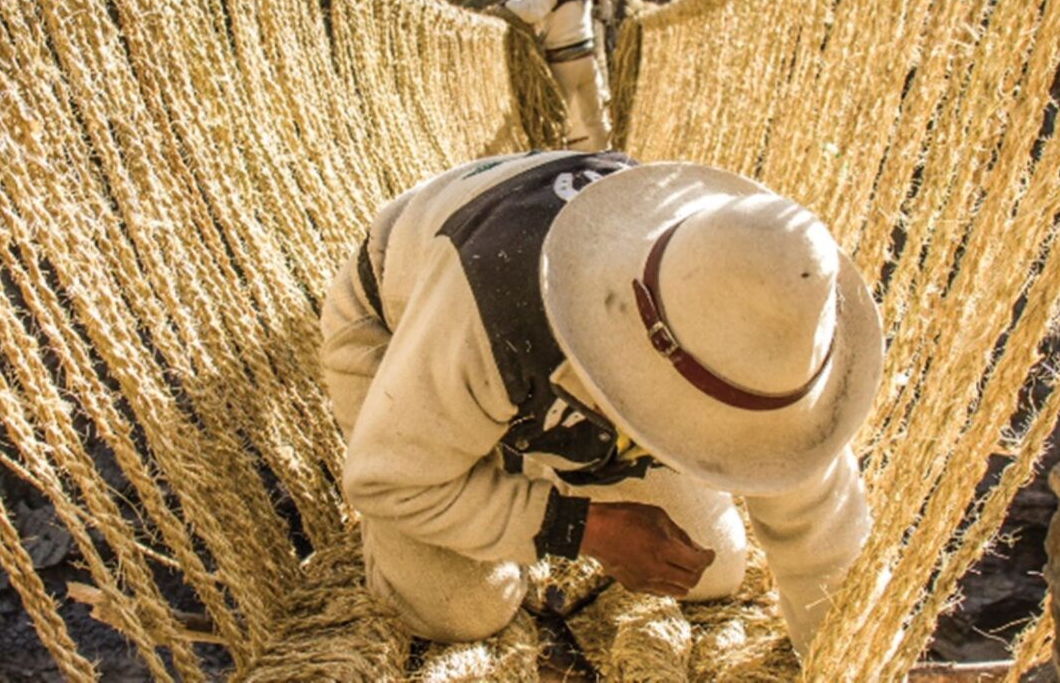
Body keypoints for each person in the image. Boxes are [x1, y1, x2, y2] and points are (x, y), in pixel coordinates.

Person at [320, 150, 884, 656]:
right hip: (403, 341)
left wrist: (843, 664)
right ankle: (504, 461)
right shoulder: (492, 301)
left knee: (710, 567)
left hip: (522, 369)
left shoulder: (775, 321)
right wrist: (585, 528)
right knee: (463, 608)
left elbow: (822, 540)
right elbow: (388, 480)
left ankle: (534, 460)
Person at [505, 0, 610, 151]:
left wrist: (508, 4)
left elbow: (532, 12)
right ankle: (606, 151)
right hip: (588, 60)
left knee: (558, 116)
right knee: (594, 115)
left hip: (564, 63)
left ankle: (559, 156)